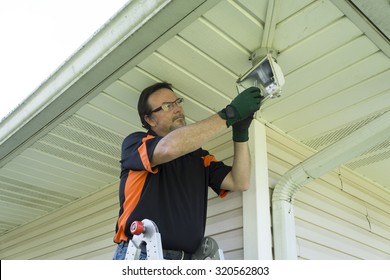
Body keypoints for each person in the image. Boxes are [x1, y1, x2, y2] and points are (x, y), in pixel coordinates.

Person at [112, 82, 262, 260]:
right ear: (150, 120)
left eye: (177, 102)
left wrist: (241, 134)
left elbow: (240, 181)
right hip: (141, 255)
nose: (177, 109)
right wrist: (229, 115)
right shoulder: (135, 143)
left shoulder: (199, 157)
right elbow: (169, 147)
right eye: (168, 106)